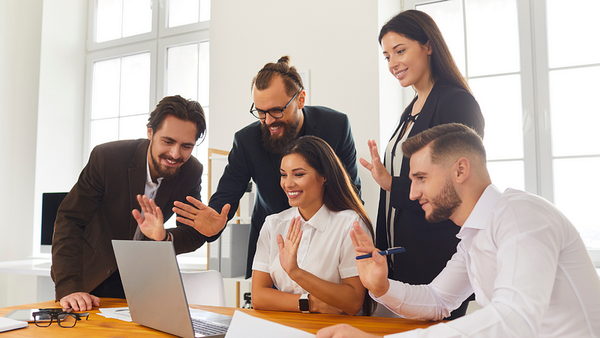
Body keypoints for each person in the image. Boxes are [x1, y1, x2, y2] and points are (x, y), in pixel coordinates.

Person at [317, 123, 600, 337]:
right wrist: (381, 286)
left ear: (461, 170)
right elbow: (439, 300)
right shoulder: (474, 236)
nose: (412, 193)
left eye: (421, 178)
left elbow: (515, 318)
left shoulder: (521, 215)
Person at [173, 56, 361, 278]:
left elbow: (351, 192)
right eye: (260, 112)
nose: (268, 121)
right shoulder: (247, 140)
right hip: (271, 243)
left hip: (327, 240)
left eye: (276, 110)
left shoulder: (335, 126)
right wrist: (214, 220)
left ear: (300, 99)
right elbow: (227, 193)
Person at [359, 10, 484, 318]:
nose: (392, 64)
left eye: (400, 51)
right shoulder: (411, 110)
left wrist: (391, 184)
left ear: (428, 45)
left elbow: (454, 186)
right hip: (400, 257)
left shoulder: (455, 102)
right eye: (387, 56)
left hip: (436, 258)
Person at [51, 95, 208, 311]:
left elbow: (193, 232)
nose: (175, 154)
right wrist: (69, 286)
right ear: (150, 132)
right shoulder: (107, 158)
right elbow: (70, 219)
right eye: (168, 141)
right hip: (89, 276)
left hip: (141, 281)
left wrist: (163, 237)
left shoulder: (191, 171)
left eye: (186, 146)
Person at [251, 136, 374, 315]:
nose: (288, 183)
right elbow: (258, 296)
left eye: (298, 174)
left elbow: (353, 301)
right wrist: (310, 304)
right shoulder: (273, 224)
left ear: (324, 176)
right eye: (284, 174)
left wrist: (296, 272)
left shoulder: (350, 225)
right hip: (286, 328)